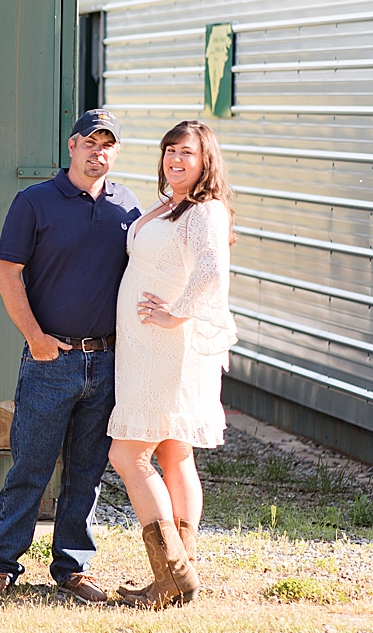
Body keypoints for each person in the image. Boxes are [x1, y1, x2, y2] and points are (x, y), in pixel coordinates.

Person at [0, 109, 142, 604]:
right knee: (31, 466)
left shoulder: (127, 206)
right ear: (71, 146)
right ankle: (1, 567)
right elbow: (7, 273)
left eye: (107, 145)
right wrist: (36, 336)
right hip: (51, 360)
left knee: (87, 471)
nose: (98, 152)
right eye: (90, 142)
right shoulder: (35, 202)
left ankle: (73, 569)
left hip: (108, 361)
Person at [106, 119, 238, 609]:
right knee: (173, 451)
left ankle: (173, 574)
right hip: (146, 348)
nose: (175, 160)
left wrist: (174, 313)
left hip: (169, 349)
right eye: (170, 151)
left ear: (206, 161)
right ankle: (182, 568)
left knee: (127, 455)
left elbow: (211, 269)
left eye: (187, 153)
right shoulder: (170, 206)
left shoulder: (204, 210)